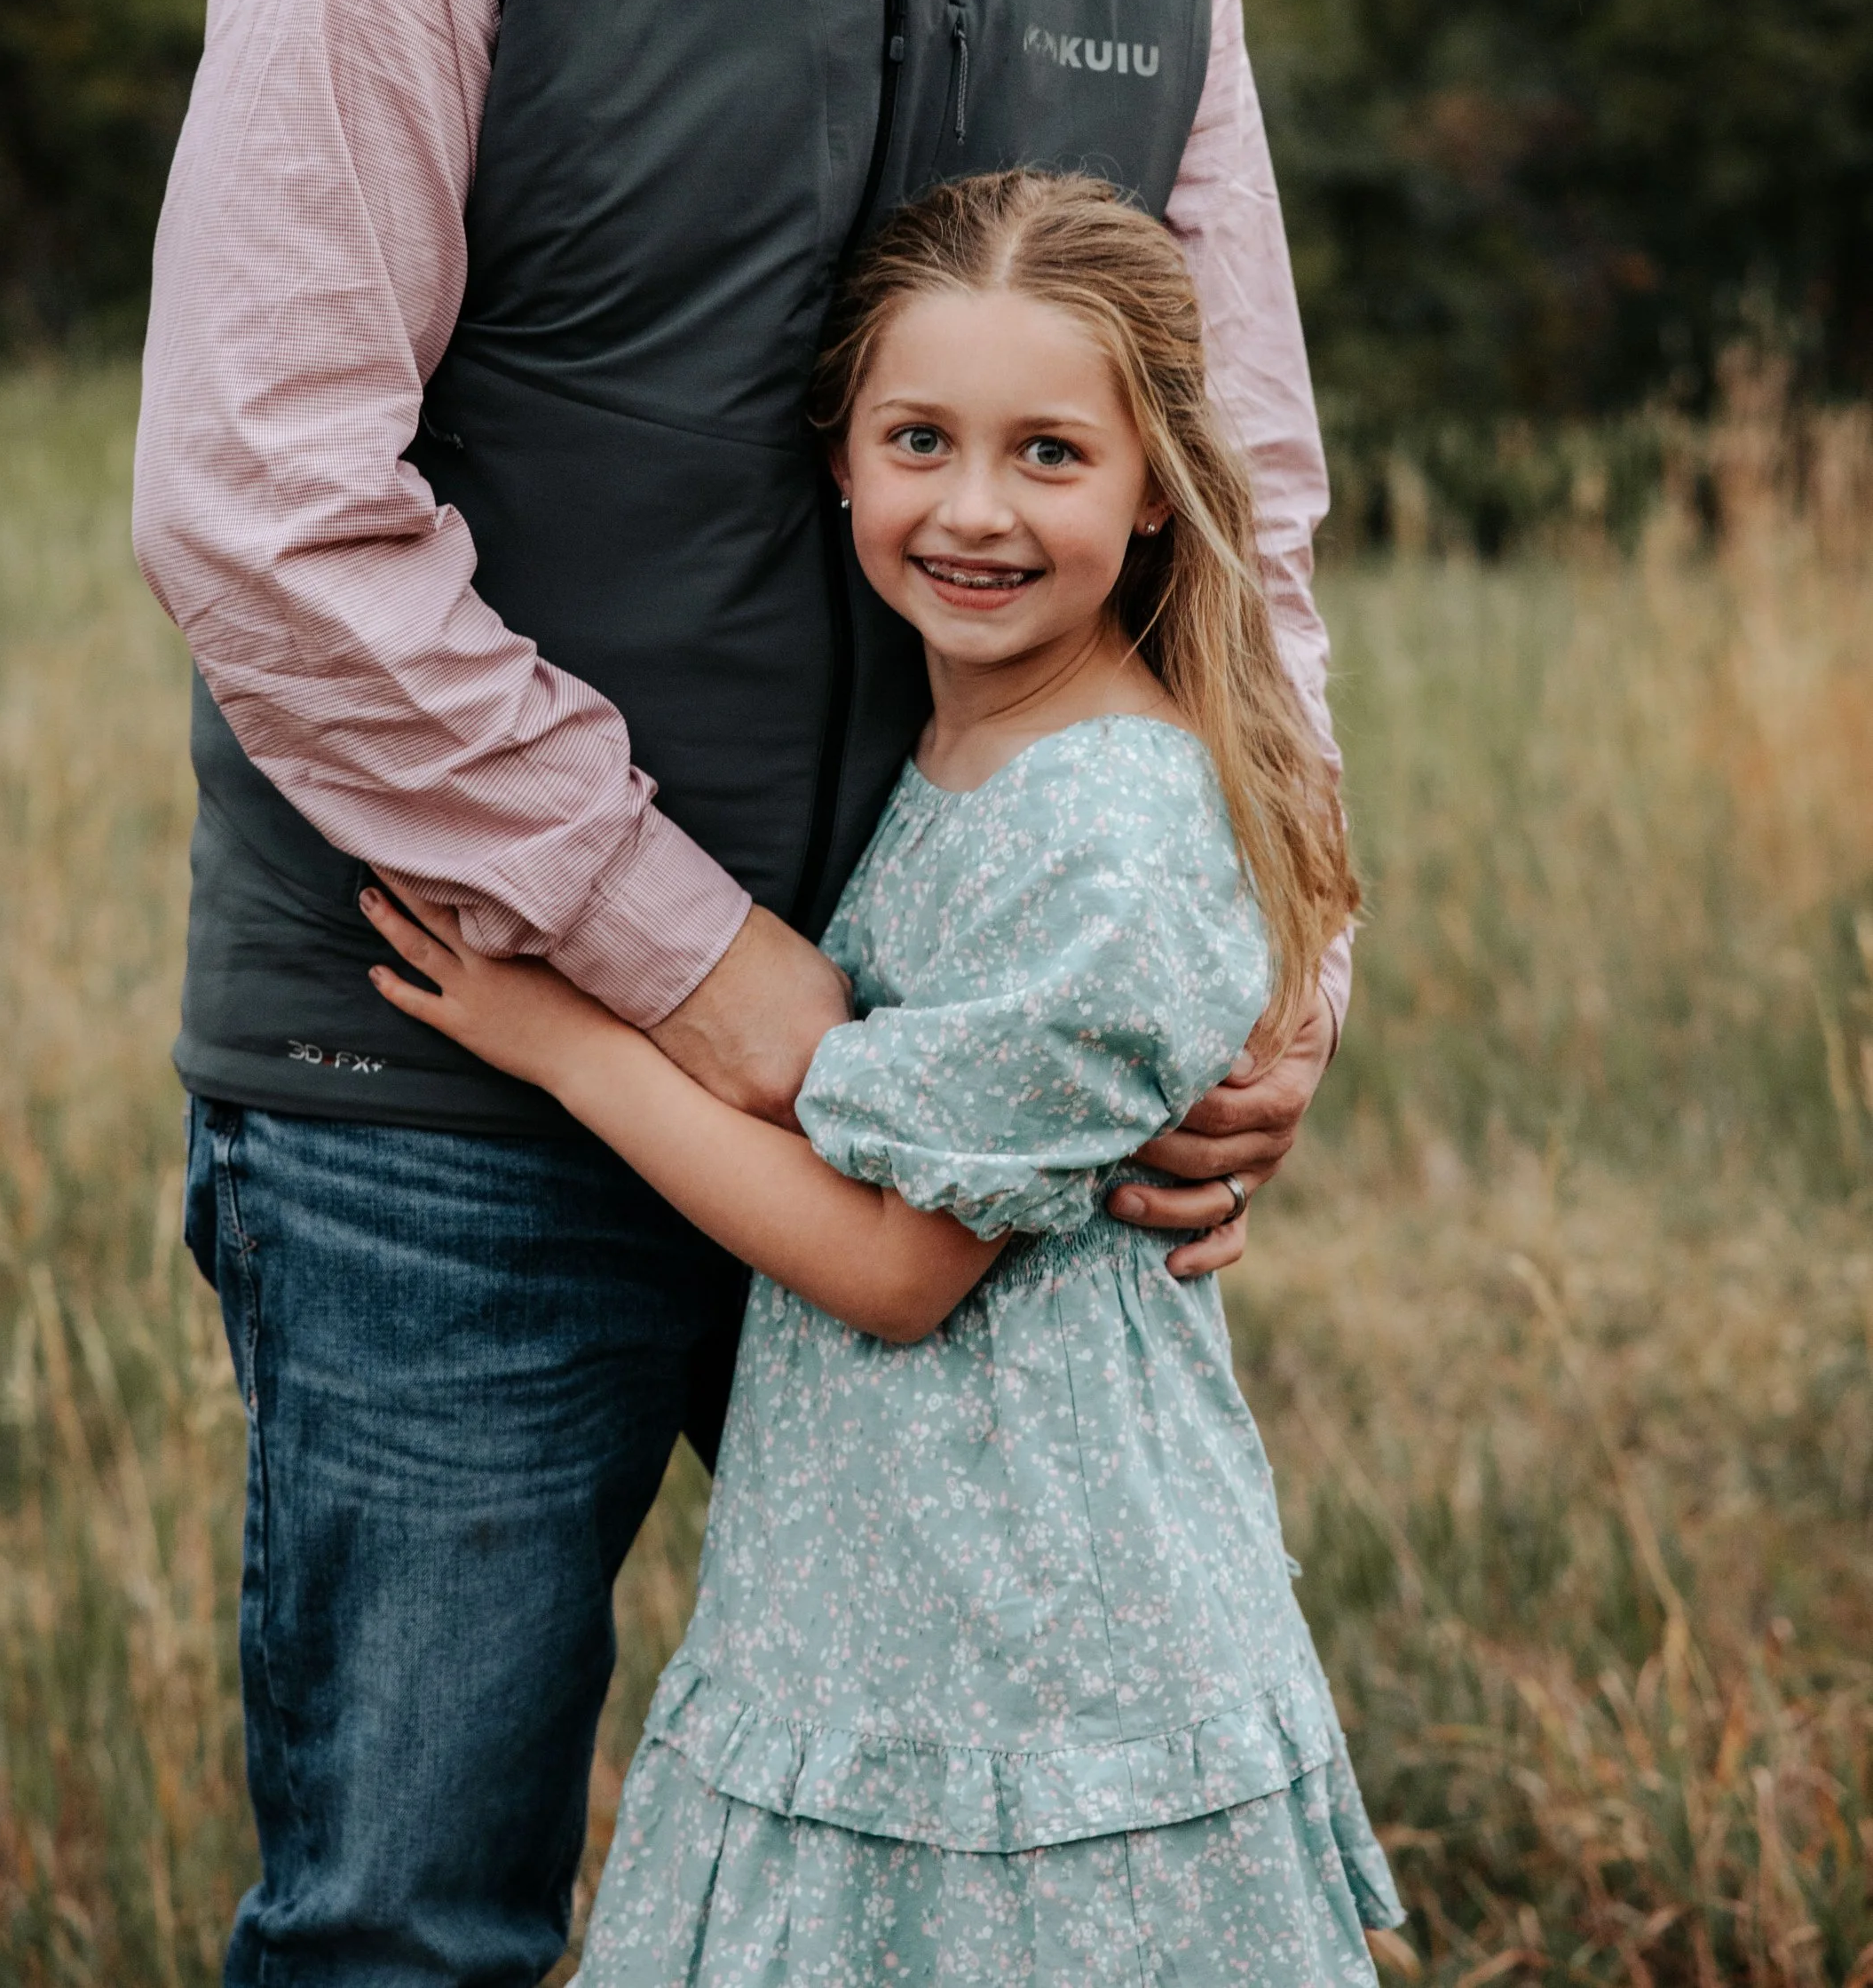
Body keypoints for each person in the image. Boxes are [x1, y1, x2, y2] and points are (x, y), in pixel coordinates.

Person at [134, 0, 1354, 1985]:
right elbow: (268, 503)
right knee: (411, 1921)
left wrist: (1293, 964)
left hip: (960, 1100)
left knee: (920, 1889)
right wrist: (709, 983)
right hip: (459, 1089)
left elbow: (1244, 479)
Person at [360, 170, 1403, 1985]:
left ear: (1154, 483)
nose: (973, 507)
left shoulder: (1110, 827)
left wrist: (564, 1036)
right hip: (895, 1597)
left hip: (1041, 1636)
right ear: (837, 451)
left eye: (1049, 454)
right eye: (918, 436)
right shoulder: (970, 740)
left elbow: (898, 1266)